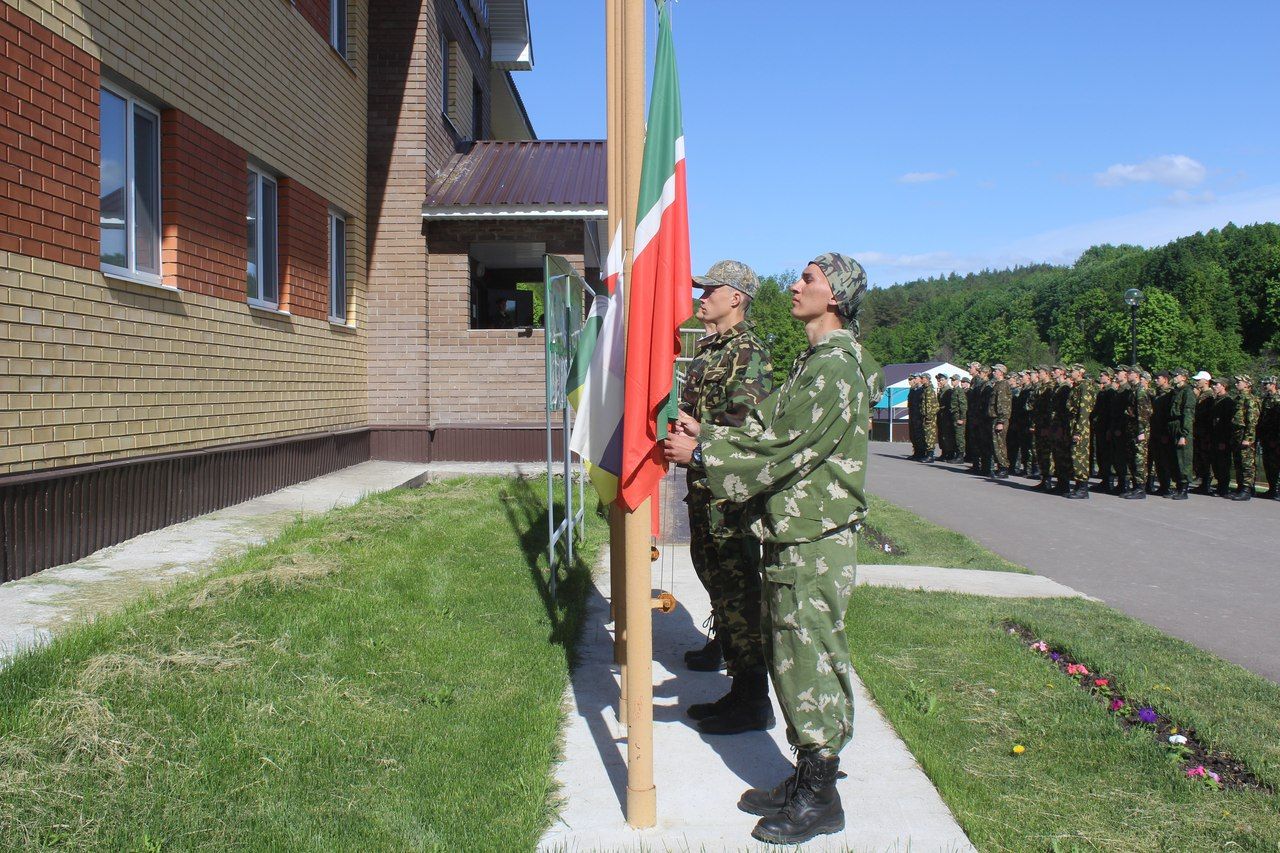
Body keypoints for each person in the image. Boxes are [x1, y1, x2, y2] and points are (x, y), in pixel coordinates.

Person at [662, 253, 882, 845]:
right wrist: (706, 432)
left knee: (810, 658)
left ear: (834, 295)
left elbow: (786, 447)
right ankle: (806, 776)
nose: (795, 284)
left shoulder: (836, 366)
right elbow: (767, 424)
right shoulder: (817, 362)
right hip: (796, 532)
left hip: (813, 537)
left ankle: (820, 796)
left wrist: (705, 457)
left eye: (808, 278)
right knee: (792, 653)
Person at [677, 259, 776, 733]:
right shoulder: (711, 350)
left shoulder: (748, 353)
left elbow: (751, 432)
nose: (701, 297)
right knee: (714, 576)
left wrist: (701, 433)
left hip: (728, 495)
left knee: (739, 589)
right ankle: (731, 660)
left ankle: (751, 696)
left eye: (710, 289)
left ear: (735, 297)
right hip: (704, 487)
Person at [1065, 364, 1095, 498]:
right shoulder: (1076, 386)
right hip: (1073, 424)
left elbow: (1084, 411)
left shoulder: (1085, 387)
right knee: (1074, 455)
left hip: (1080, 426)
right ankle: (1078, 485)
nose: (1071, 373)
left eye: (1073, 371)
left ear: (1080, 372)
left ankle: (1083, 488)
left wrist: (1078, 431)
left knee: (1080, 455)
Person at [1165, 368, 1196, 500]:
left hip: (1181, 427)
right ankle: (1177, 486)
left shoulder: (1187, 392)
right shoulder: (1175, 392)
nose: (1174, 377)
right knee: (1174, 459)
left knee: (1183, 459)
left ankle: (1184, 489)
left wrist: (1184, 434)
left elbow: (1188, 414)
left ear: (1183, 377)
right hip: (1173, 426)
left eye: (1176, 375)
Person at [1229, 375, 1260, 501]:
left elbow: (1252, 421)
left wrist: (1248, 438)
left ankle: (1247, 489)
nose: (1236, 384)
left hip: (1244, 435)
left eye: (1239, 382)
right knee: (1238, 462)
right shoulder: (1238, 398)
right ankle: (1241, 486)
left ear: (1247, 384)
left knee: (1247, 463)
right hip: (1236, 434)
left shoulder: (1250, 399)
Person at [1210, 377, 1236, 497]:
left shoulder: (1228, 401)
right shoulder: (1216, 400)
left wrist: (1224, 440)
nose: (1214, 386)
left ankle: (1223, 488)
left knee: (1223, 463)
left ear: (1224, 386)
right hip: (1214, 435)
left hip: (1223, 437)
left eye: (1216, 384)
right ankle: (1220, 486)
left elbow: (1227, 423)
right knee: (1215, 462)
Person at [1192, 370, 1217, 494]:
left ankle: (1206, 483)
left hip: (1205, 432)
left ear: (1206, 381)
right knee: (1200, 457)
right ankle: (1203, 482)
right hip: (1199, 431)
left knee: (1206, 457)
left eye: (1198, 380)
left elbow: (1205, 415)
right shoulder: (1201, 394)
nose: (1196, 382)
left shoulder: (1209, 395)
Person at [1149, 372, 1174, 495]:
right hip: (1155, 430)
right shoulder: (1158, 393)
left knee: (1165, 460)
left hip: (1164, 431)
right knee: (1158, 460)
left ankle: (1168, 487)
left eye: (1158, 378)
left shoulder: (1170, 393)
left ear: (1165, 379)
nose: (1155, 380)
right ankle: (1162, 486)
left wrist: (1165, 433)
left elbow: (1168, 415)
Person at [1259, 375, 1280, 500]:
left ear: (1273, 384)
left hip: (1275, 437)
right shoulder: (1266, 398)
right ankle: (1272, 488)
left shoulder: (1278, 399)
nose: (1264, 386)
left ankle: (1277, 490)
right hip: (1266, 436)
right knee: (1268, 463)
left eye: (1266, 384)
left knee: (1276, 464)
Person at [989, 364, 1012, 478]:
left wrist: (1001, 421)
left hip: (999, 419)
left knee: (999, 444)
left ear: (1001, 372)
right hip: (995, 418)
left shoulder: (1003, 385)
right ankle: (1000, 467)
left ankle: (1003, 468)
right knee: (996, 444)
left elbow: (1003, 404)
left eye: (995, 370)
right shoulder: (997, 385)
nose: (993, 372)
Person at [920, 374, 938, 463]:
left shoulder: (929, 390)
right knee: (926, 435)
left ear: (927, 379)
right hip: (926, 416)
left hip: (929, 417)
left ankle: (930, 456)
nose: (921, 380)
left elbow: (931, 405)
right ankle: (928, 454)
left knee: (930, 436)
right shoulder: (925, 389)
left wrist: (929, 416)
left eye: (922, 378)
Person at [935, 374, 954, 461]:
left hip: (946, 416)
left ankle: (949, 453)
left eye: (941, 380)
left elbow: (949, 405)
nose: (939, 382)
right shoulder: (941, 390)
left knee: (947, 435)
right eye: (938, 380)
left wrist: (940, 408)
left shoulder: (948, 391)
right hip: (941, 416)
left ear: (946, 380)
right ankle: (944, 452)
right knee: (942, 435)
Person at [952, 374, 969, 462]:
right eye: (952, 380)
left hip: (959, 417)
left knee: (959, 437)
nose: (952, 382)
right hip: (954, 416)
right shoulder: (954, 390)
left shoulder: (959, 391)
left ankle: (960, 455)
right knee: (956, 436)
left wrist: (962, 418)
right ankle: (957, 454)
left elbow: (963, 406)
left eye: (954, 380)